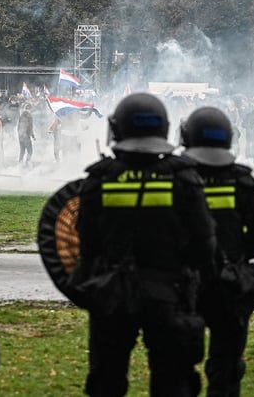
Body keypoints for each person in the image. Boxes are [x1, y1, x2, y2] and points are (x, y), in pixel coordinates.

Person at [69, 92, 215, 396]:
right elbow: (204, 243)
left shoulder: (100, 178)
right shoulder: (183, 177)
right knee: (172, 381)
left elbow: (87, 240)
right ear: (163, 128)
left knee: (106, 380)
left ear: (117, 128)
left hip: (112, 294)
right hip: (168, 292)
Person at [180, 107, 254, 397]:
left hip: (185, 284)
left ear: (186, 137)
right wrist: (233, 255)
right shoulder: (243, 182)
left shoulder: (175, 180)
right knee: (226, 369)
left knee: (178, 369)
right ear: (229, 139)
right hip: (229, 285)